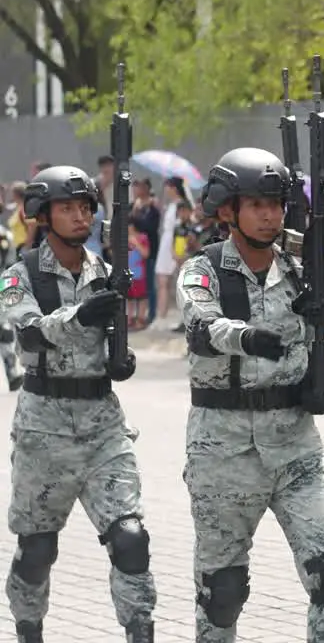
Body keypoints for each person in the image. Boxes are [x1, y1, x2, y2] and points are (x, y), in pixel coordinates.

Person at [176, 148, 324, 643]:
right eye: (257, 204)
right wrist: (246, 337)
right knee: (222, 592)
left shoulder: (296, 270)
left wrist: (320, 384)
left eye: (276, 204)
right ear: (227, 210)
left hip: (295, 448)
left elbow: (312, 347)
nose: (271, 215)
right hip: (224, 453)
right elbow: (201, 322)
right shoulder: (202, 269)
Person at [2, 165, 154, 643]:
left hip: (104, 427)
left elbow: (116, 347)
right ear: (43, 215)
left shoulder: (108, 272)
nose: (79, 215)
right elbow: (27, 331)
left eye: (86, 206)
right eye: (67, 207)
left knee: (131, 540)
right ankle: (29, 629)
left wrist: (121, 359)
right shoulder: (19, 275)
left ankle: (140, 630)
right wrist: (78, 315)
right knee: (37, 549)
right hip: (44, 429)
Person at [154, 176, 189, 325]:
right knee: (163, 280)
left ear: (174, 188)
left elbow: (182, 226)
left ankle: (170, 317)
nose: (165, 190)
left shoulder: (182, 204)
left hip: (176, 242)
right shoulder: (172, 205)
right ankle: (162, 315)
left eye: (167, 186)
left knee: (170, 280)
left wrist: (177, 249)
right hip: (167, 241)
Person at [128, 179, 160, 325]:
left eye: (139, 187)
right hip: (132, 253)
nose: (136, 190)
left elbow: (149, 227)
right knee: (132, 287)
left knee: (148, 285)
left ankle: (151, 315)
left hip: (148, 249)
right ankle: (132, 316)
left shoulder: (153, 208)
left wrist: (137, 214)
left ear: (146, 189)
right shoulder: (134, 206)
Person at [126, 223, 150, 330]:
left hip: (139, 273)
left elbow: (145, 254)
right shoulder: (124, 238)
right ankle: (129, 319)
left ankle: (141, 319)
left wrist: (136, 242)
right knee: (129, 297)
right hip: (128, 273)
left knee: (141, 297)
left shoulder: (143, 238)